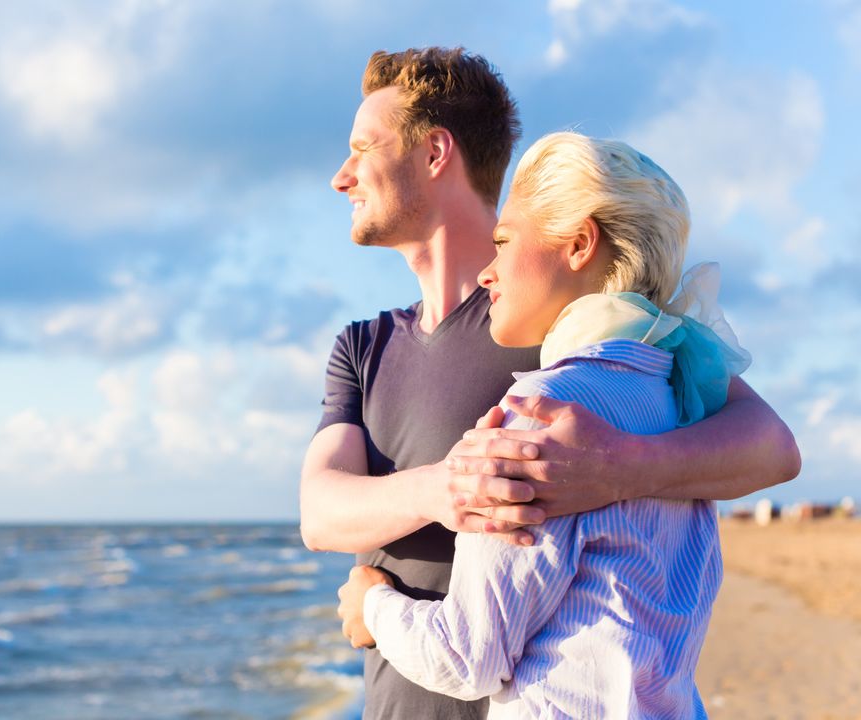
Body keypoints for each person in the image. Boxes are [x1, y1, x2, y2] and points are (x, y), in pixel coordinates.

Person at [300, 47, 800, 720]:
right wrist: (455, 486)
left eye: (364, 146)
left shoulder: (570, 329)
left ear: (435, 152)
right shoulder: (364, 344)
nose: (341, 176)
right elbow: (320, 513)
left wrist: (616, 467)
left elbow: (770, 445)